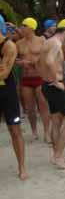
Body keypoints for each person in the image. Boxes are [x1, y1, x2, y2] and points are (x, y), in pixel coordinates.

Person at [38, 19, 65, 170]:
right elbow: (48, 61)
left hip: (47, 85)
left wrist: (46, 78)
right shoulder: (55, 43)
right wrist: (55, 81)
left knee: (56, 121)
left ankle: (57, 155)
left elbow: (39, 62)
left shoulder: (49, 42)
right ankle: (57, 156)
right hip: (54, 86)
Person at [0, 15, 28, 180]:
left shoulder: (9, 46)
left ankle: (22, 167)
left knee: (15, 130)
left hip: (7, 92)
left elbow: (4, 73)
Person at [16, 17, 51, 143]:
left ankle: (47, 132)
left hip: (40, 76)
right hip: (26, 78)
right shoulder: (19, 43)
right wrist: (21, 62)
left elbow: (48, 55)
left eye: (24, 26)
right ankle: (34, 131)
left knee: (43, 104)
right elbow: (14, 59)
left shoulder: (41, 40)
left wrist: (39, 60)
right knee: (30, 108)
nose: (21, 28)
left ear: (31, 27)